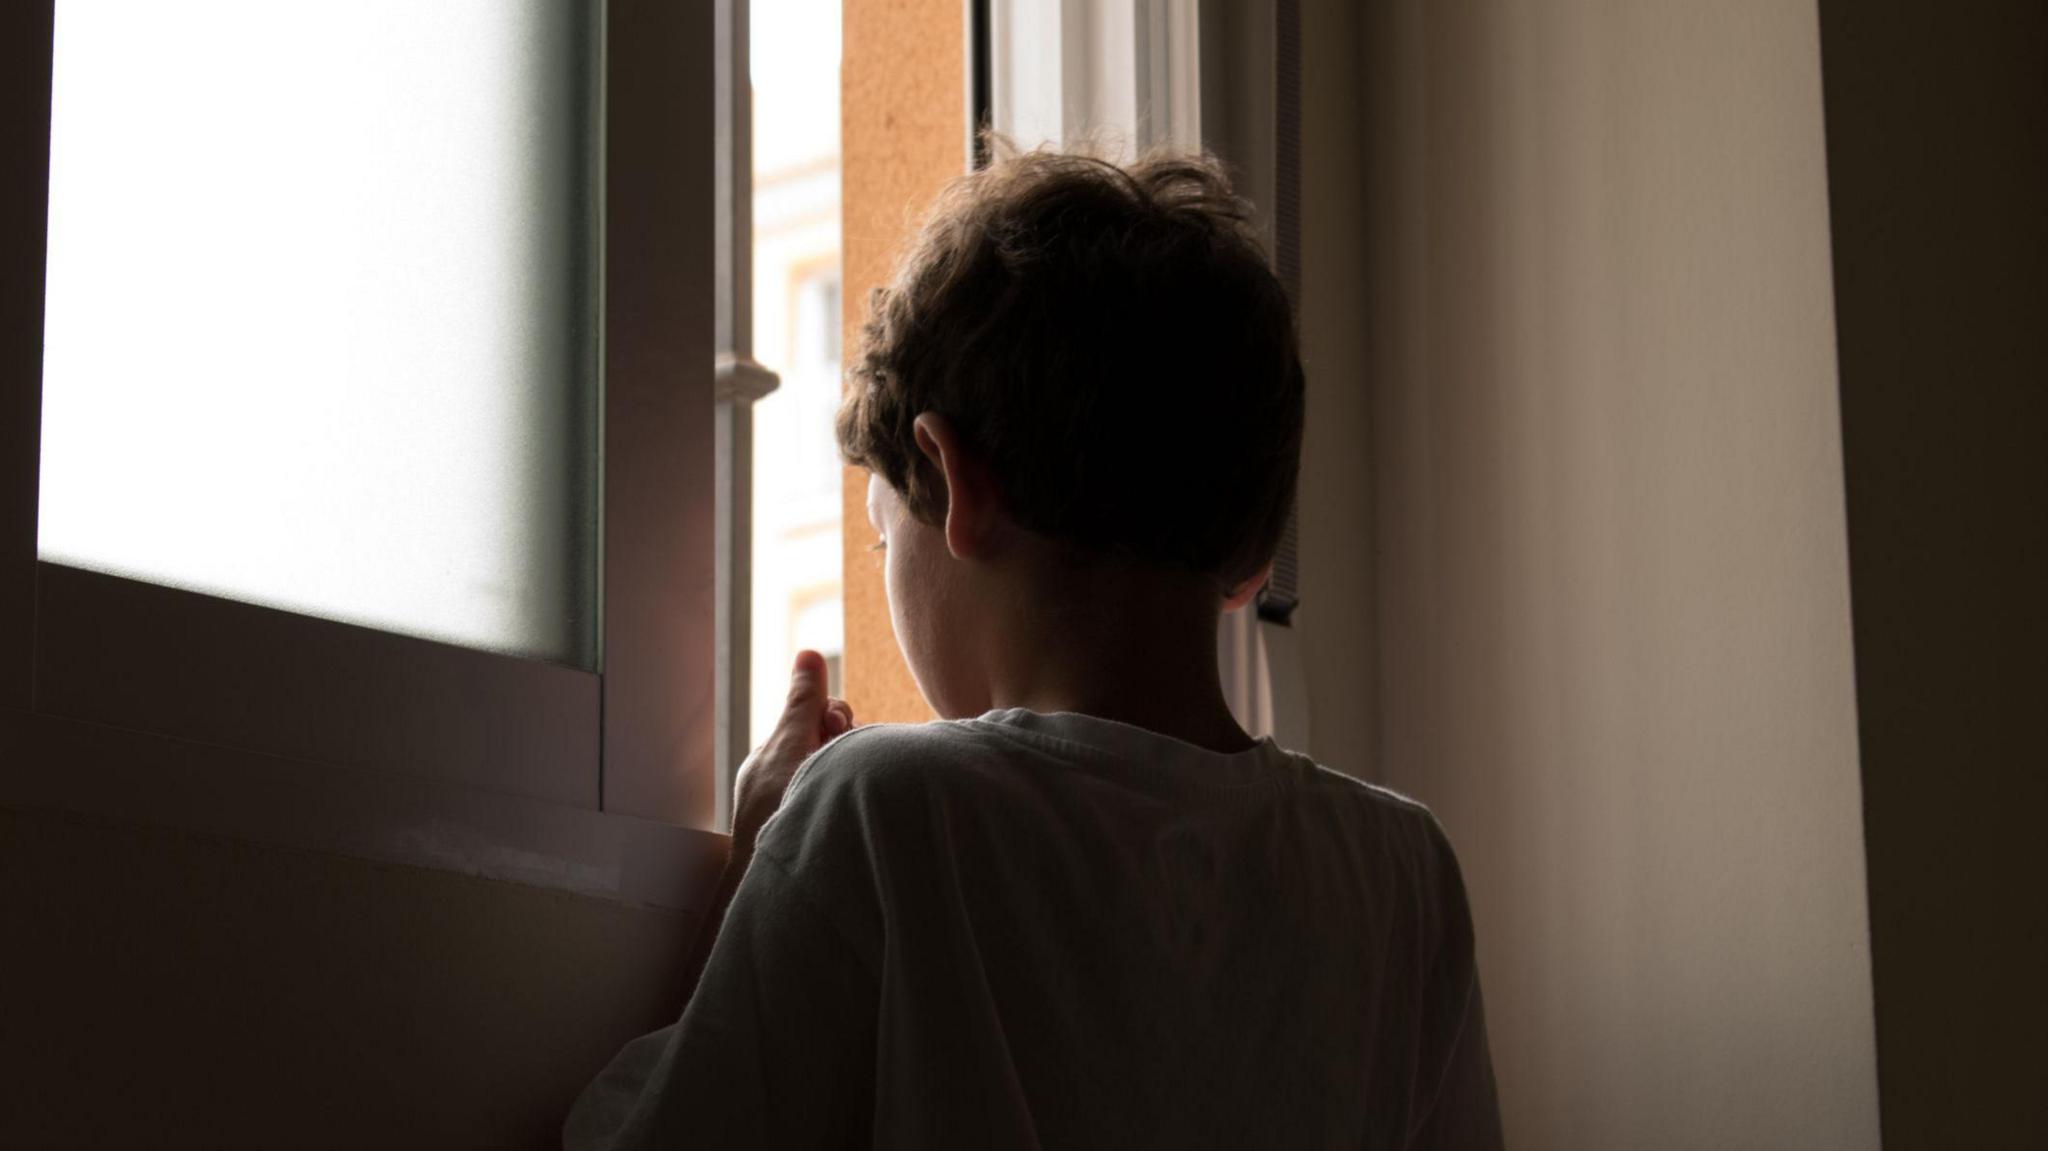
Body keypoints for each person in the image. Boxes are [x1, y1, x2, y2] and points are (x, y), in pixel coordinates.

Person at [566, 148, 1501, 1149]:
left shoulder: (882, 808)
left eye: (884, 539)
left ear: (953, 482)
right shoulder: (1403, 872)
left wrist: (753, 863)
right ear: (1250, 558)